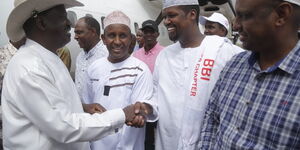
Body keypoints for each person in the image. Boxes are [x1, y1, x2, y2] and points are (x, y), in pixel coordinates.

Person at [2, 0, 146, 149]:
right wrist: (122, 115)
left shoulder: (46, 58)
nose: (70, 24)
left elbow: (51, 105)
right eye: (64, 17)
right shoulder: (30, 67)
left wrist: (82, 107)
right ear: (42, 23)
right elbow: (63, 127)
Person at [200, 0, 300, 149]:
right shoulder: (234, 65)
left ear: (281, 15)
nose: (235, 25)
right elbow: (212, 118)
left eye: (245, 16)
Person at [154, 0, 243, 149]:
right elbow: (155, 96)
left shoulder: (225, 52)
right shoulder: (164, 55)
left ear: (192, 14)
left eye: (171, 15)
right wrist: (146, 107)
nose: (166, 22)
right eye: (164, 17)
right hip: (167, 143)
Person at [83, 10, 157, 150]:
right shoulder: (94, 68)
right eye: (112, 35)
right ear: (103, 38)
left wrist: (139, 114)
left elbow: (141, 107)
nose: (117, 41)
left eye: (122, 36)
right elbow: (87, 105)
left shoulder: (140, 70)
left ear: (131, 39)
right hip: (97, 143)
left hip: (129, 144)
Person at [74, 16, 108, 103]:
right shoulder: (80, 56)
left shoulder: (107, 55)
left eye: (79, 32)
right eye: (75, 33)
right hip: (81, 110)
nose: (75, 37)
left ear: (93, 32)